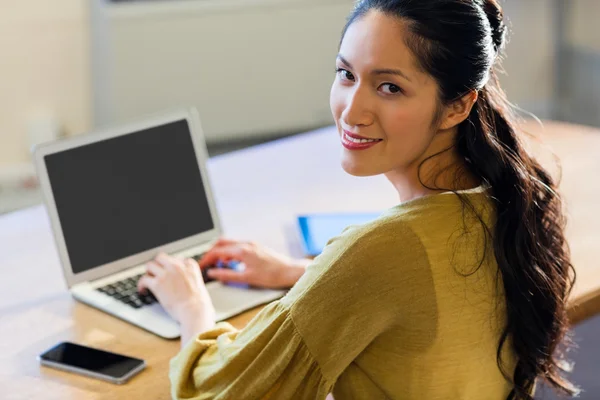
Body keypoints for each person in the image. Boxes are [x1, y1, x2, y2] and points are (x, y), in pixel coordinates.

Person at [137, 0, 580, 399]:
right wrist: (303, 274)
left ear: (456, 107)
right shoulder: (501, 200)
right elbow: (418, 291)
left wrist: (191, 307)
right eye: (346, 74)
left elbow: (220, 393)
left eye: (389, 87)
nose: (352, 110)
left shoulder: (380, 250)